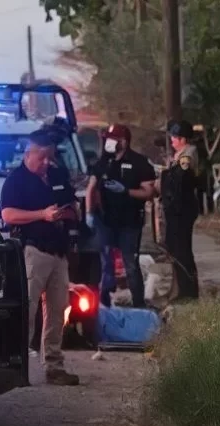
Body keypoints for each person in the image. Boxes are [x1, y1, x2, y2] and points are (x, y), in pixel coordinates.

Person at [0, 129, 81, 386]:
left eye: (50, 157)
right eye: (42, 157)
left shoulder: (56, 174)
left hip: (59, 251)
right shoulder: (16, 180)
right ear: (29, 153)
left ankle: (54, 366)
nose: (47, 162)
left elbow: (72, 203)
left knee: (57, 311)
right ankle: (15, 366)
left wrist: (68, 213)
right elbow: (8, 215)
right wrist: (42, 215)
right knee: (27, 309)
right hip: (34, 251)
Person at [85, 124, 157, 308]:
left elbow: (149, 192)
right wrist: (89, 214)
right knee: (104, 264)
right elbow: (91, 188)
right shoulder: (103, 162)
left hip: (129, 222)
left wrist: (126, 191)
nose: (109, 142)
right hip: (105, 221)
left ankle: (138, 304)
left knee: (130, 264)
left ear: (124, 142)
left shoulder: (139, 163)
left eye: (113, 139)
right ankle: (103, 304)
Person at [160, 119, 200, 301]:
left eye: (174, 138)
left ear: (183, 139)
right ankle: (181, 288)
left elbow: (181, 175)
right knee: (174, 249)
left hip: (183, 209)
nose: (172, 141)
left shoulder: (188, 154)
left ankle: (188, 291)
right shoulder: (179, 155)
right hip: (176, 209)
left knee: (182, 250)